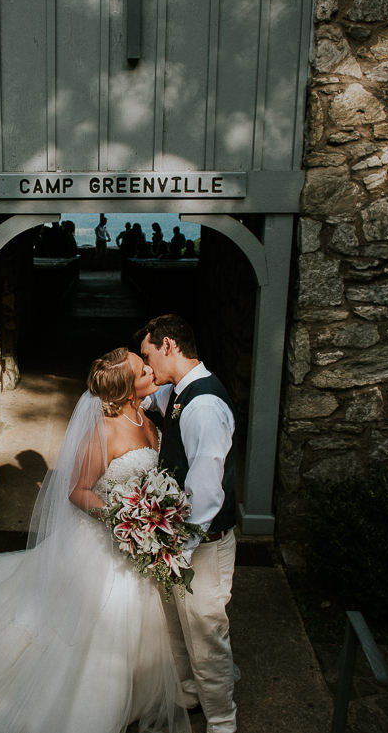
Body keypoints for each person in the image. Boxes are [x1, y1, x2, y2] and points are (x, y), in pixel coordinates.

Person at [0, 348, 189, 733]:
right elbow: (78, 490)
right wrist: (124, 520)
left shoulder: (146, 415)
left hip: (136, 542)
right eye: (144, 371)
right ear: (129, 389)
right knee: (90, 627)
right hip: (107, 541)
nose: (152, 371)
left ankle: (134, 693)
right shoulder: (104, 430)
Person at [137, 314, 238, 733]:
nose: (148, 366)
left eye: (148, 356)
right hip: (179, 541)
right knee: (179, 626)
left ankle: (222, 721)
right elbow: (146, 402)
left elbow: (208, 491)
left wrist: (179, 550)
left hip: (202, 543)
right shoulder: (178, 392)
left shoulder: (205, 405)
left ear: (169, 346)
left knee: (206, 632)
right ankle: (191, 692)